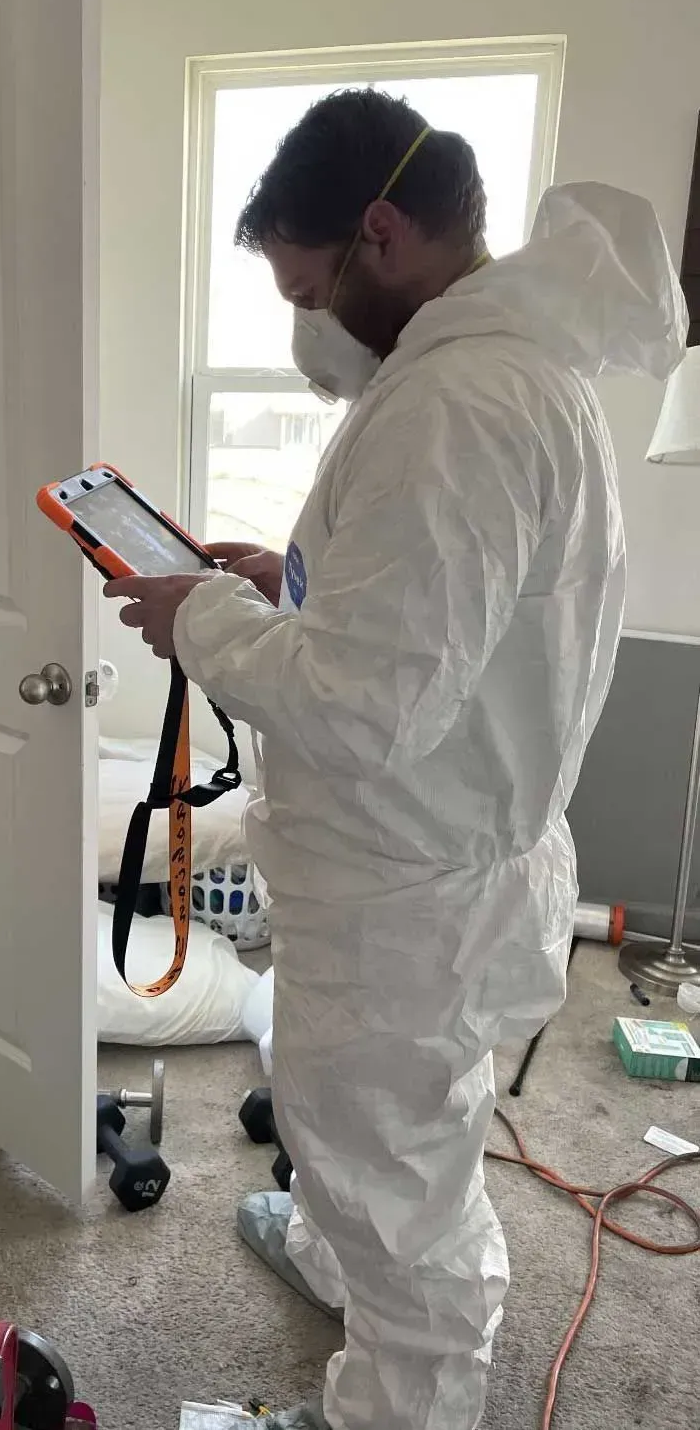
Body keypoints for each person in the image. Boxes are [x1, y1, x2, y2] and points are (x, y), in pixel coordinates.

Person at [105, 90, 688, 1430]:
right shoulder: (500, 374)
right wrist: (286, 580)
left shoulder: (455, 404)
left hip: (404, 892)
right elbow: (443, 623)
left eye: (307, 289)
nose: (307, 324)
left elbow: (368, 704)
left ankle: (396, 1405)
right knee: (380, 1131)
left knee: (393, 1172)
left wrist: (200, 619)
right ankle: (332, 1258)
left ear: (379, 231)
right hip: (432, 857)